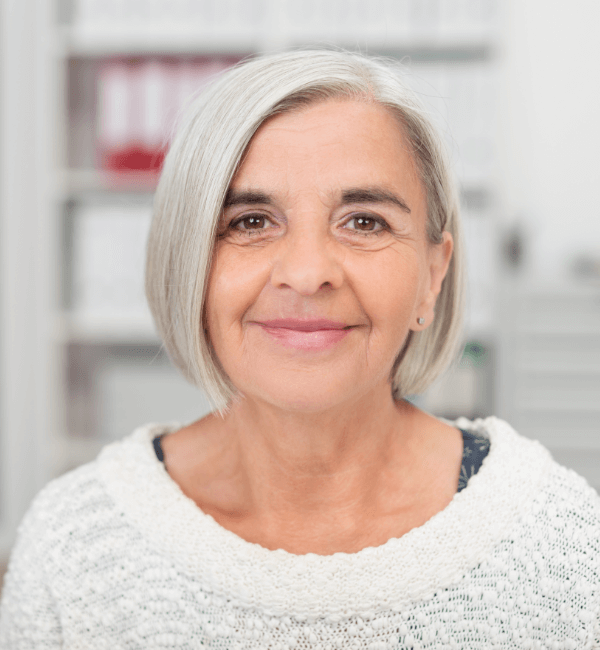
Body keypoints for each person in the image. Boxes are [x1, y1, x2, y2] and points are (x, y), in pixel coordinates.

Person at [1, 49, 599, 649]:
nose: (308, 273)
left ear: (433, 275)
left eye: (364, 221)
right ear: (189, 266)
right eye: (250, 221)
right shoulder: (74, 548)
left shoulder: (558, 547)